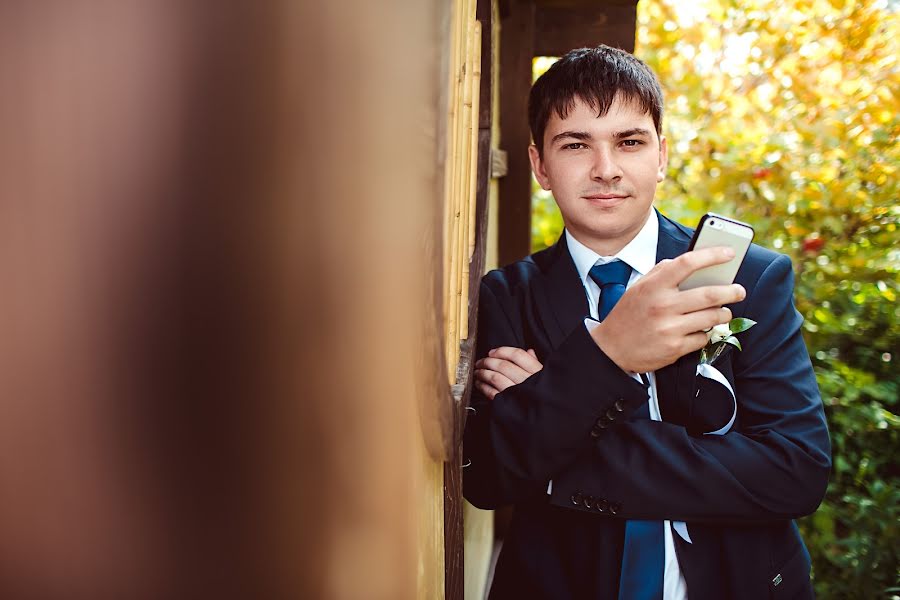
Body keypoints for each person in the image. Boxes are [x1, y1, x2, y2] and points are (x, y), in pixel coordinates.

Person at [462, 45, 831, 600]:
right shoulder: (509, 295)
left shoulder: (749, 278)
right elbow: (489, 476)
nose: (605, 169)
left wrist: (556, 429)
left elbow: (795, 471)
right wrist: (607, 353)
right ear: (540, 165)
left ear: (660, 155)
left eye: (629, 142)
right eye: (576, 144)